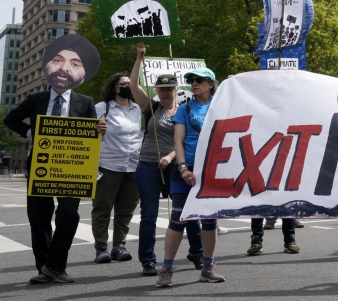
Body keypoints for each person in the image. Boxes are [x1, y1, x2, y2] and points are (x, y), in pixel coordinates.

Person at [4, 34, 106, 284]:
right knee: (39, 217)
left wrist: (99, 132)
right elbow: (11, 120)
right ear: (48, 67)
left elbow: (92, 139)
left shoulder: (86, 102)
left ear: (82, 74)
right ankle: (45, 268)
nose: (64, 69)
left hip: (72, 169)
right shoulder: (35, 100)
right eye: (58, 61)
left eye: (75, 64)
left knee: (69, 214)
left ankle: (56, 265)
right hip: (41, 166)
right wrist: (32, 134)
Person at [130, 44, 203, 276]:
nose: (165, 92)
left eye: (169, 88)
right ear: (157, 91)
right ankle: (148, 260)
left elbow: (185, 140)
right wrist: (139, 59)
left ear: (176, 89)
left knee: (188, 212)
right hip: (148, 166)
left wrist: (171, 156)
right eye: (161, 89)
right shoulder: (150, 108)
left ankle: (197, 252)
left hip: (177, 165)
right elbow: (133, 86)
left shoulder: (185, 110)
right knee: (149, 214)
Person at [156, 67, 224, 286]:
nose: (194, 83)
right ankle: (166, 268)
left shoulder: (222, 107)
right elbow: (178, 141)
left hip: (212, 170)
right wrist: (183, 166)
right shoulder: (184, 109)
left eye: (200, 80)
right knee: (178, 220)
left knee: (209, 220)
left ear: (211, 84)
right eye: (191, 80)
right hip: (185, 170)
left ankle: (208, 267)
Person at [92, 72, 142, 263]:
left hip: (133, 167)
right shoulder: (101, 108)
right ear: (114, 87)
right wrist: (95, 129)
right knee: (102, 208)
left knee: (126, 210)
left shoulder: (139, 109)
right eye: (123, 84)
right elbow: (87, 130)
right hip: (108, 165)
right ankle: (101, 248)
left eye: (130, 83)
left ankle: (119, 246)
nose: (127, 87)